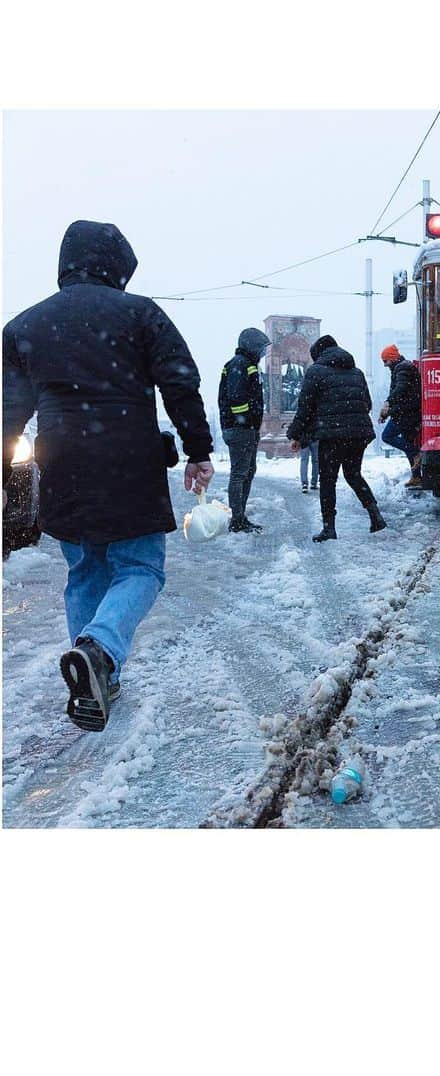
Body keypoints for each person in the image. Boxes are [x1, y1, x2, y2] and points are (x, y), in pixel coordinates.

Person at [2, 220, 214, 733]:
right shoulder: (140, 313)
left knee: (85, 570)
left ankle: (98, 675)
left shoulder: (24, 326)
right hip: (129, 457)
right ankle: (99, 651)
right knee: (141, 567)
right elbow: (179, 381)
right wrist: (197, 448)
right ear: (116, 266)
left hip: (61, 463)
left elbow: (10, 410)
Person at [287, 334, 386, 542]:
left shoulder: (315, 372)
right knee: (353, 475)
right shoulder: (356, 372)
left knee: (328, 480)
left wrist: (295, 435)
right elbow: (366, 403)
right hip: (358, 434)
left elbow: (305, 408)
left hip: (332, 435)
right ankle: (375, 515)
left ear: (319, 355)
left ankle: (329, 528)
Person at [218, 327, 271, 533]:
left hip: (245, 428)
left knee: (247, 471)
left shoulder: (247, 365)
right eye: (261, 348)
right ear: (251, 346)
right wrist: (246, 421)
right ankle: (237, 519)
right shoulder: (240, 365)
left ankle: (240, 516)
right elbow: (237, 398)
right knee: (240, 473)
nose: (263, 352)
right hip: (240, 428)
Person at [378, 344, 423, 488]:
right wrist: (388, 411)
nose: (385, 365)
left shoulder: (402, 368)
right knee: (407, 441)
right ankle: (416, 477)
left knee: (387, 436)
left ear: (392, 358)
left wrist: (388, 403)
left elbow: (401, 389)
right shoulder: (401, 367)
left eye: (385, 361)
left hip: (407, 413)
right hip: (409, 411)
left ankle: (416, 454)